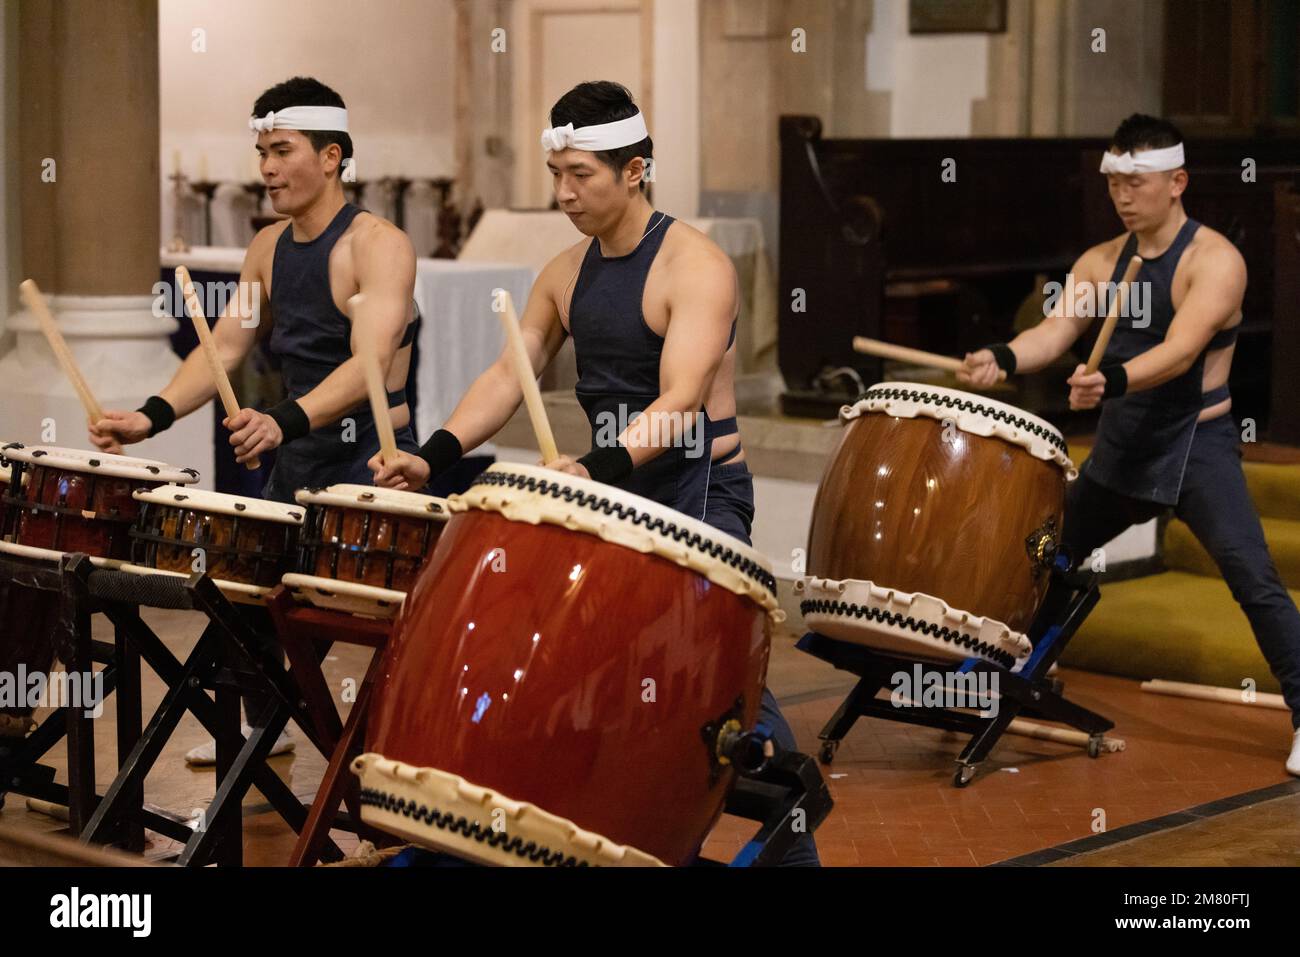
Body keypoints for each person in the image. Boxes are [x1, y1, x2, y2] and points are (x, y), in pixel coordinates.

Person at [371, 80, 819, 864]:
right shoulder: (565, 270)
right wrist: (432, 453)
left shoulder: (696, 266)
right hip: (609, 495)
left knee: (706, 677)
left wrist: (596, 466)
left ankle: (787, 798)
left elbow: (681, 400)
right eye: (557, 174)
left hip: (696, 494)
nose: (563, 192)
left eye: (581, 174)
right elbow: (509, 376)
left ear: (636, 169)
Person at [89, 76, 421, 763]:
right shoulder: (267, 247)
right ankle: (264, 731)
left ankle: (382, 753)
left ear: (331, 157)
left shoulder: (378, 244)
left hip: (373, 465)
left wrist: (281, 421)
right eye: (261, 151)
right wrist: (147, 418)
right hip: (299, 459)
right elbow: (225, 348)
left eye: (282, 149)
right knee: (244, 601)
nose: (267, 168)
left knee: (358, 623)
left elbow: (370, 363)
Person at [959, 113, 1300, 776]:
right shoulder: (1099, 261)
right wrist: (1002, 356)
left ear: (1177, 182)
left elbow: (1178, 352)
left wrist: (1108, 378)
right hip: (1123, 444)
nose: (1123, 194)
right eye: (1115, 180)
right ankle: (995, 676)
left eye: (1137, 181)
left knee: (1251, 576)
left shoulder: (1216, 262)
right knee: (1048, 557)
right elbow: (1055, 334)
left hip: (1196, 444)